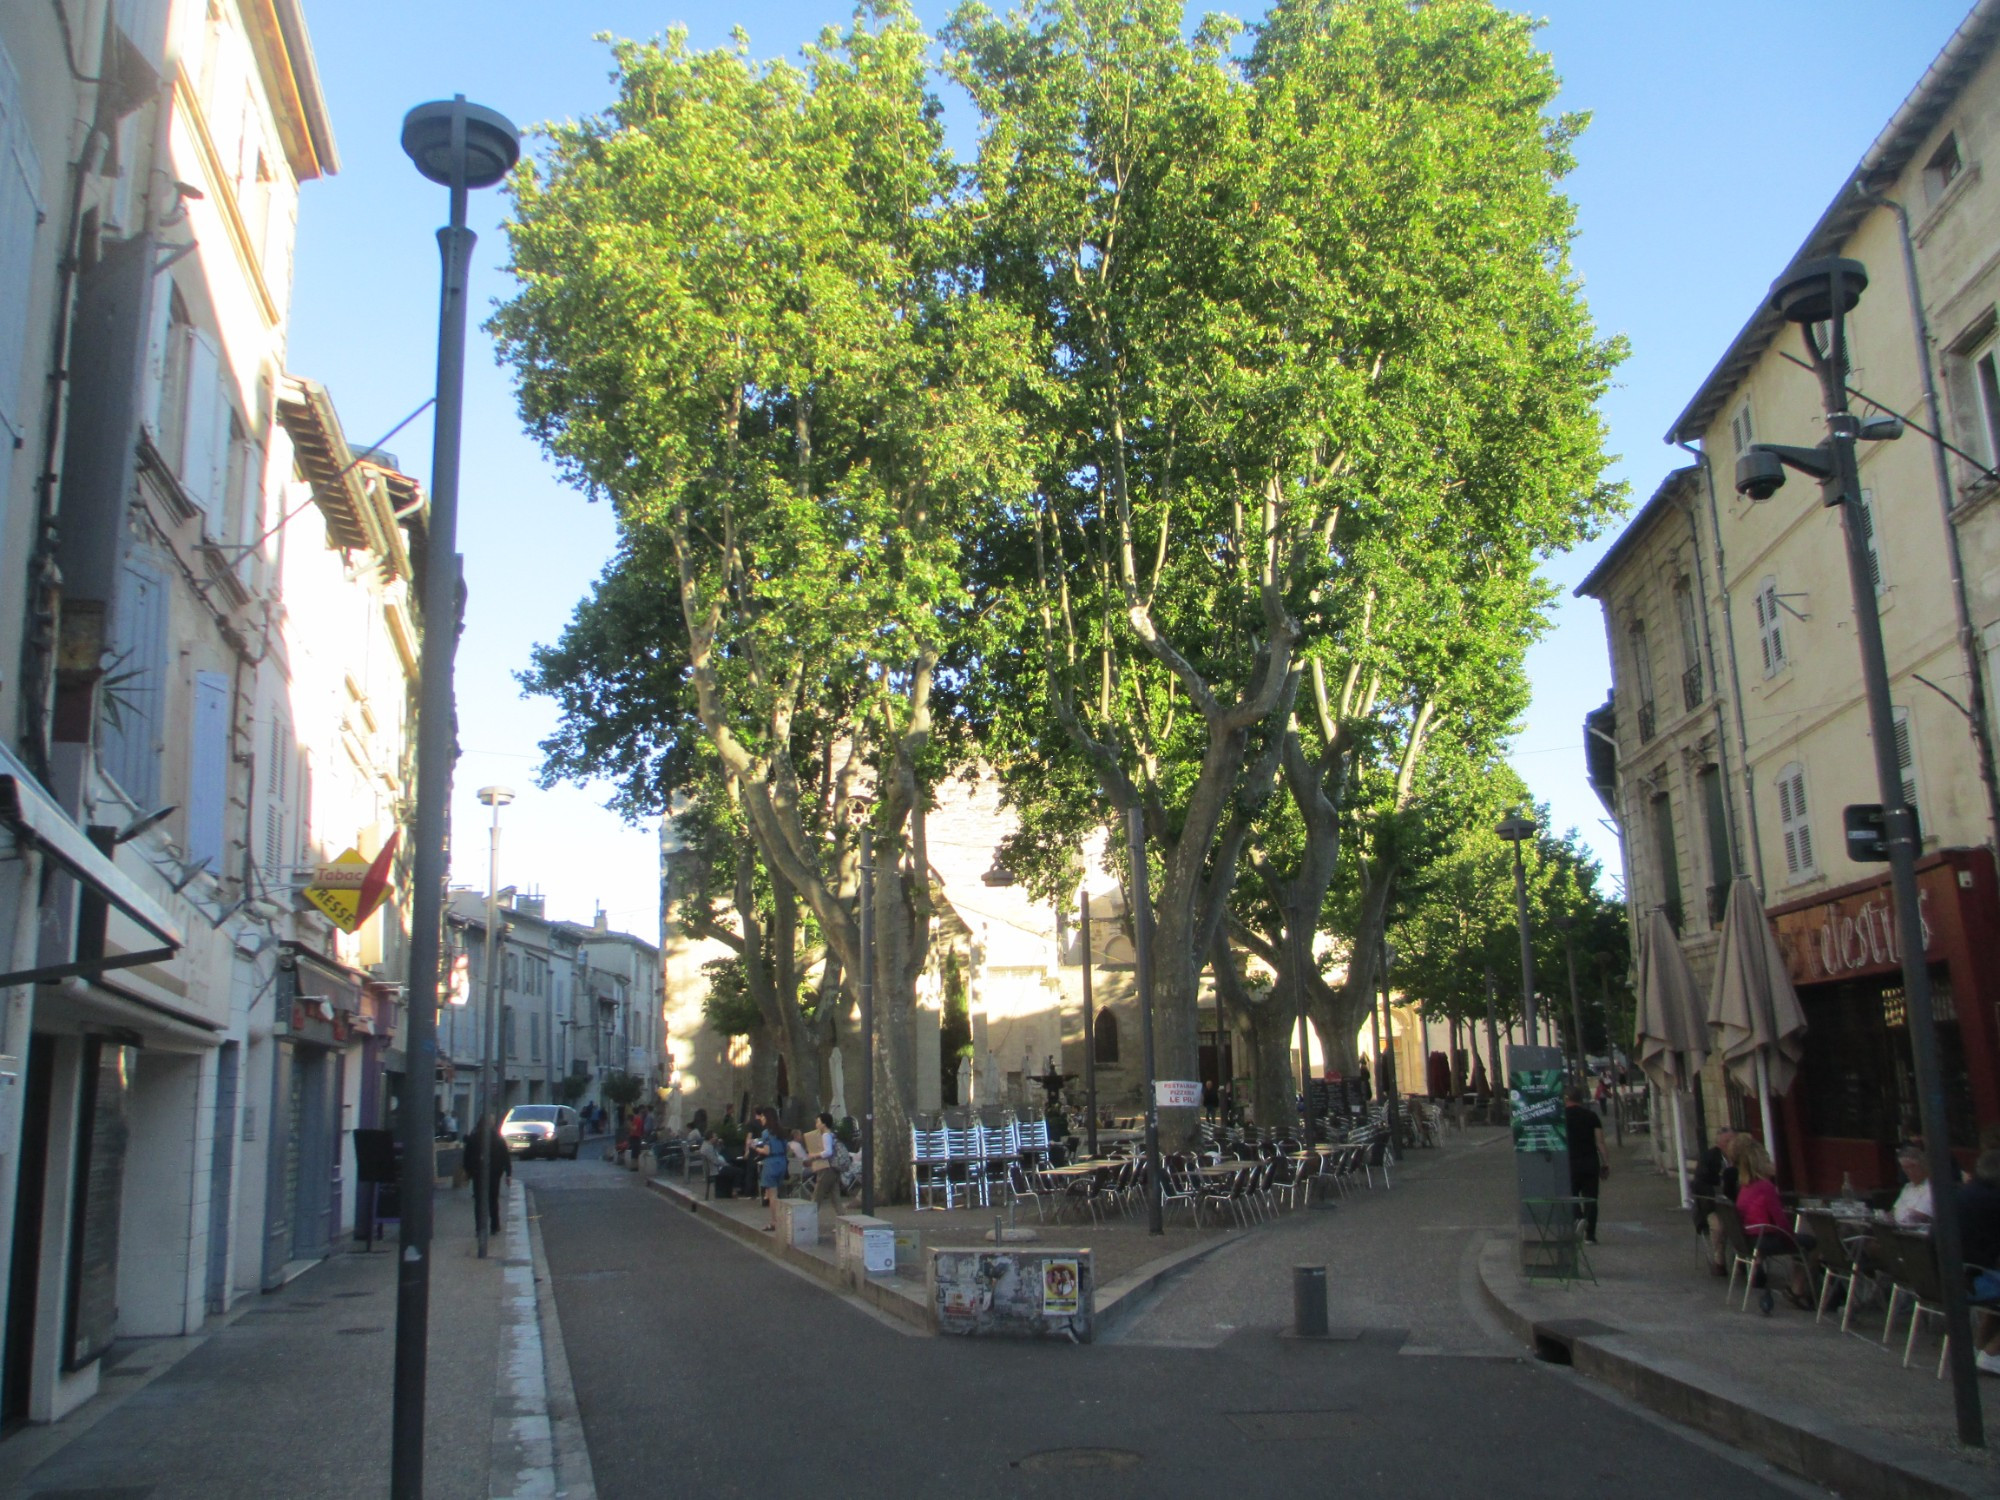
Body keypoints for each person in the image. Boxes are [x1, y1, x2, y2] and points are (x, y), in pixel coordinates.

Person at [1728, 1134, 1810, 1313]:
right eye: (1768, 1160)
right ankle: (1799, 1288)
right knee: (1811, 1243)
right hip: (1763, 1238)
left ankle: (1799, 1286)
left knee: (1801, 1241)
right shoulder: (1765, 1187)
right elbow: (1780, 1221)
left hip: (1747, 1240)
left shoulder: (1745, 1186)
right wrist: (1792, 1240)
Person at [1954, 1150, 2000, 1374]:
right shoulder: (1992, 1199)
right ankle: (1993, 1353)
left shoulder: (1963, 1193)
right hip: (1971, 1281)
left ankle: (1980, 1348)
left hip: (1948, 1277)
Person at [1564, 1086, 1609, 1244]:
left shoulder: (1562, 1117)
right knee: (1591, 1199)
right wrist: (1605, 1163)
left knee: (1571, 1196)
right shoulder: (1591, 1116)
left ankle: (1578, 1218)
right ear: (1581, 1099)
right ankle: (1590, 1235)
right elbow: (1600, 1142)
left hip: (1569, 1162)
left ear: (1566, 1099)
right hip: (1590, 1161)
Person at [1691, 1126, 1739, 1273]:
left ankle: (1745, 1260)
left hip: (1740, 1203)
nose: (1731, 1144)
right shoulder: (1709, 1158)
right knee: (1719, 1227)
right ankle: (1719, 1262)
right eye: (1727, 1141)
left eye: (1733, 1140)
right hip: (1713, 1205)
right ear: (1719, 1144)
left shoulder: (1742, 1157)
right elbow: (1698, 1184)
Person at [462, 1113, 511, 1237]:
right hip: (494, 1173)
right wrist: (508, 1173)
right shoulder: (497, 1138)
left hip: (478, 1173)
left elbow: (467, 1157)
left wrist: (468, 1172)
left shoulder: (474, 1137)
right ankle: (494, 1225)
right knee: (493, 1200)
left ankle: (479, 1228)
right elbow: (505, 1156)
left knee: (479, 1201)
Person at [751, 1106, 788, 1231]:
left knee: (772, 1195)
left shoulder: (766, 1133)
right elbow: (786, 1148)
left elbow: (767, 1151)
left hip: (771, 1163)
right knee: (777, 1192)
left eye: (762, 1116)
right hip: (782, 1162)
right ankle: (780, 1220)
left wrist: (755, 1147)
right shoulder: (781, 1131)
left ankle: (774, 1222)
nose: (761, 1118)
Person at [805, 1111, 843, 1217]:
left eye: (818, 1122)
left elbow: (828, 1152)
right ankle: (843, 1220)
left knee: (817, 1196)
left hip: (826, 1168)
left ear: (824, 1124)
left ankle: (808, 1220)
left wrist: (814, 1155)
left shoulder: (825, 1135)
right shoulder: (832, 1134)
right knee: (835, 1197)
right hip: (834, 1168)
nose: (816, 1124)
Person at [1892, 1144, 1935, 1226]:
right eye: (1905, 1167)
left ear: (1923, 1164)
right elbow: (1894, 1212)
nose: (1908, 1171)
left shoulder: (1932, 1187)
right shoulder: (1908, 1187)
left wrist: (1902, 1213)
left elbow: (1920, 1216)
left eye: (1912, 1166)